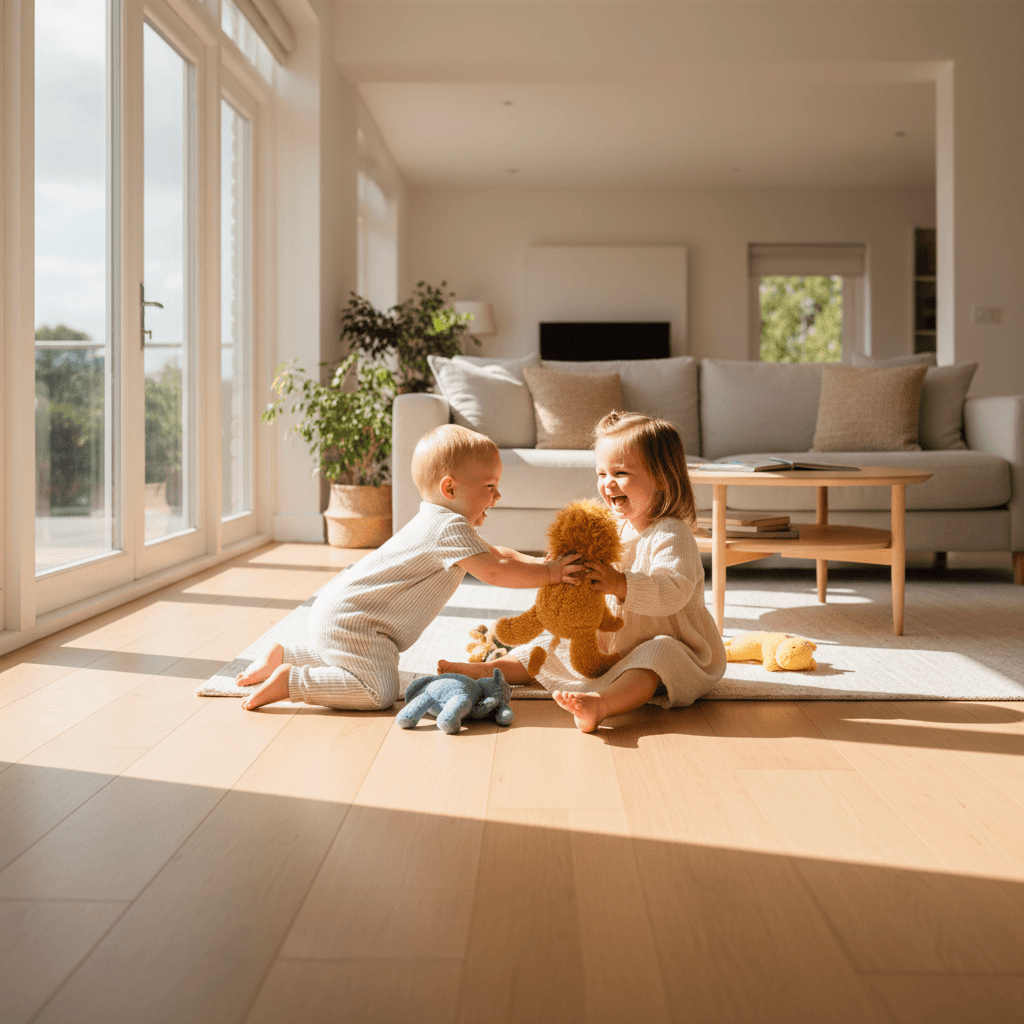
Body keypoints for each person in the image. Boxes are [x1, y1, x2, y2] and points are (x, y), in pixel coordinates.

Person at [236, 424, 580, 711]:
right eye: (490, 487)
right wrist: (550, 575)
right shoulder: (449, 528)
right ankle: (292, 680)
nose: (498, 496)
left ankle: (289, 655)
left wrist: (538, 562)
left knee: (363, 662)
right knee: (378, 690)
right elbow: (494, 570)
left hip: (350, 619)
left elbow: (497, 554)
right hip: (356, 624)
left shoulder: (442, 522)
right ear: (450, 487)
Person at [439, 411, 726, 733]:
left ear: (661, 478)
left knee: (659, 654)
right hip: (614, 642)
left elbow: (673, 591)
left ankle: (602, 703)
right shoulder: (613, 527)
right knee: (555, 641)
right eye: (601, 473)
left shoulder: (672, 534)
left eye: (620, 472)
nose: (607, 484)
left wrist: (618, 583)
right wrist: (564, 568)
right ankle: (491, 669)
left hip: (678, 645)